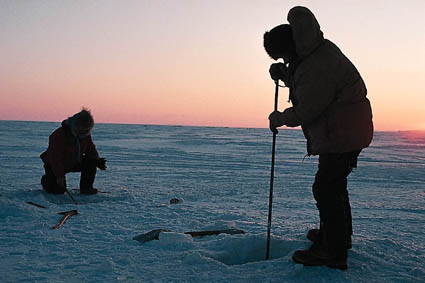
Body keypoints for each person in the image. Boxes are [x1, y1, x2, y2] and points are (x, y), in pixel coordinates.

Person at [263, 6, 373, 270]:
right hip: (344, 130)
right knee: (332, 185)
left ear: (292, 47)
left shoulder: (316, 63)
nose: (285, 61)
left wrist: (279, 118)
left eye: (283, 57)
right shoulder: (314, 52)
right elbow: (309, 81)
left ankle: (332, 252)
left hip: (342, 133)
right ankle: (336, 238)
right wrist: (286, 75)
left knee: (326, 188)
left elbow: (308, 107)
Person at [40, 108, 107, 195]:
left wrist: (97, 161)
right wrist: (59, 176)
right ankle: (47, 180)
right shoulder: (58, 135)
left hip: (74, 161)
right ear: (76, 126)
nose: (84, 133)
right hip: (55, 164)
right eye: (82, 131)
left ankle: (86, 188)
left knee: (91, 162)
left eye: (86, 131)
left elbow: (91, 149)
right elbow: (55, 158)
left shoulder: (85, 134)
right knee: (57, 191)